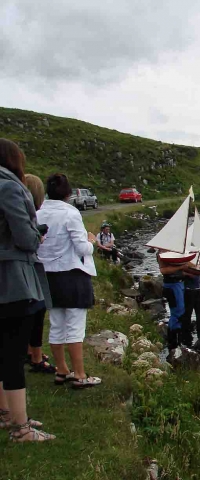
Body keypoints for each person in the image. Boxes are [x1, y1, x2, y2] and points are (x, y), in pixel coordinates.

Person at [0, 138, 55, 442]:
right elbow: (24, 237)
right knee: (13, 350)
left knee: (3, 349)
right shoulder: (9, 186)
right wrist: (37, 237)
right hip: (12, 278)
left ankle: (5, 413)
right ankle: (21, 428)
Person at [37, 173, 101, 389]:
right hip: (72, 275)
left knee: (56, 325)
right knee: (74, 326)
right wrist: (92, 241)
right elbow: (82, 248)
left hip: (48, 276)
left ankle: (62, 369)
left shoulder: (38, 213)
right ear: (68, 193)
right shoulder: (70, 214)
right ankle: (80, 374)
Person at [23, 173, 56, 374]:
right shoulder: (27, 214)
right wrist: (38, 238)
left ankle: (30, 351)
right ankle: (35, 357)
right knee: (36, 310)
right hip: (28, 269)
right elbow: (27, 242)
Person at [156, 250, 193, 350]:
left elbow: (176, 268)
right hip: (172, 286)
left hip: (178, 283)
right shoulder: (161, 253)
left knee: (180, 311)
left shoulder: (173, 251)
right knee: (177, 312)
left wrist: (187, 272)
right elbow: (163, 270)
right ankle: (173, 342)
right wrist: (181, 267)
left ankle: (178, 340)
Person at [180, 274, 200, 348]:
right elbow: (183, 272)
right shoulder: (185, 263)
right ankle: (186, 339)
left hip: (198, 288)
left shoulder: (195, 262)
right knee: (187, 314)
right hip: (188, 290)